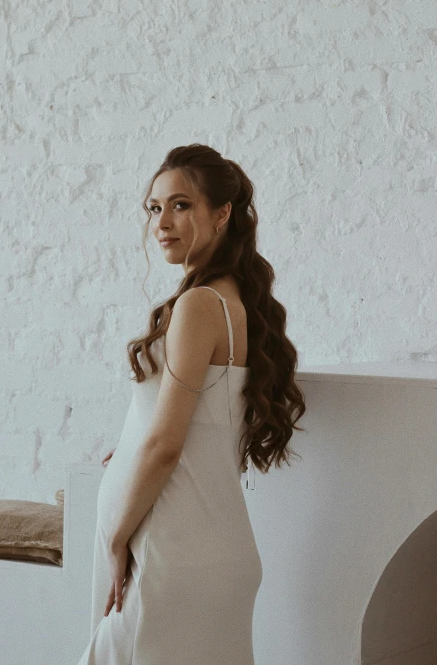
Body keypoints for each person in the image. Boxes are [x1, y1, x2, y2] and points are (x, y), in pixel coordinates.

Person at [76, 143, 306, 664]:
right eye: (155, 208)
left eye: (181, 205)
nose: (163, 222)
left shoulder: (200, 305)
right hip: (214, 555)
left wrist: (116, 537)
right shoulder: (234, 302)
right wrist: (133, 445)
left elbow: (167, 445)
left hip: (169, 557)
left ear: (222, 214)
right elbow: (197, 420)